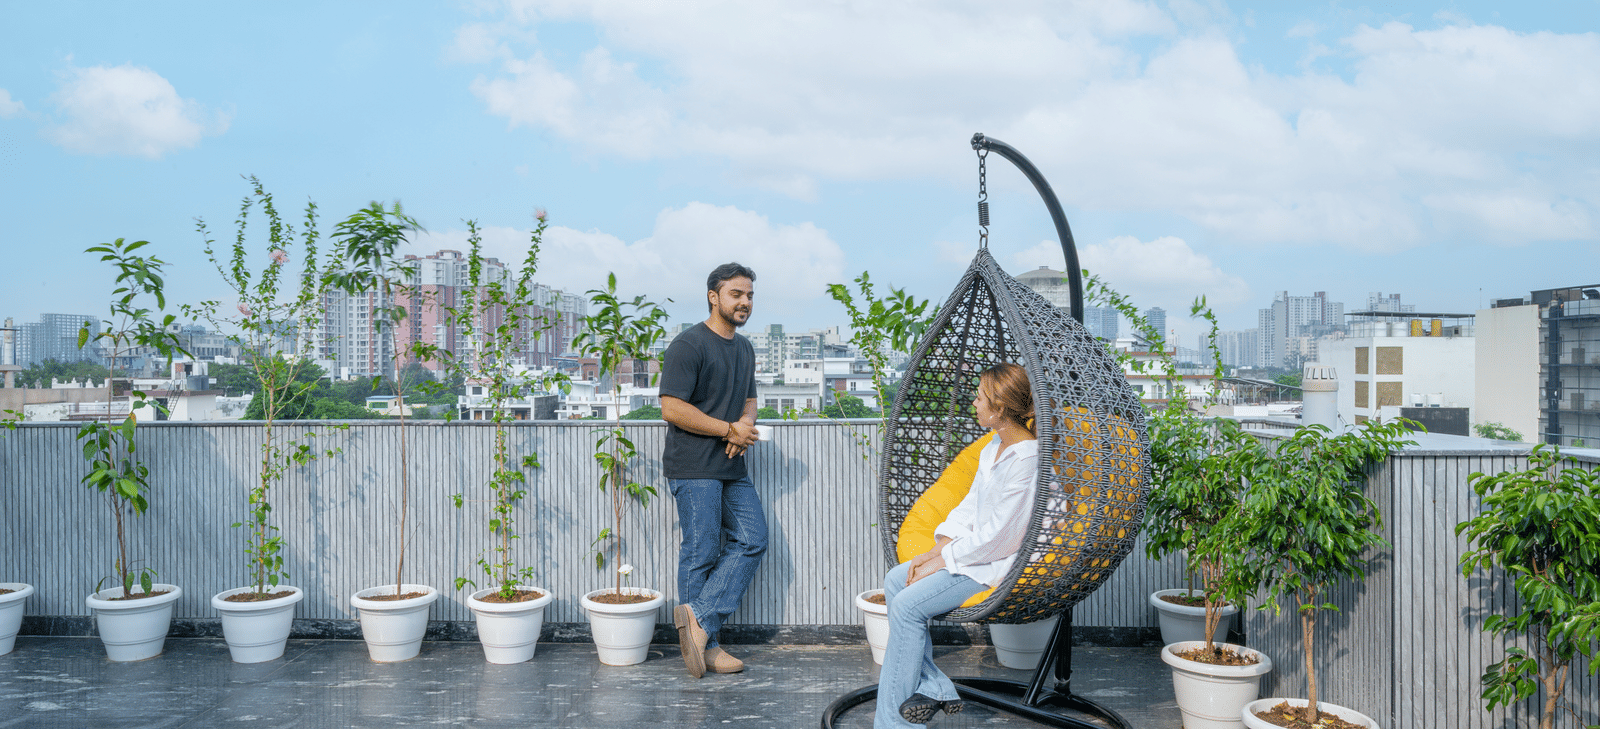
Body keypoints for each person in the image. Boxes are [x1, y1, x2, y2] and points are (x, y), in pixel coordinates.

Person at [877, 363, 1039, 727]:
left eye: (980, 398)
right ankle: (935, 686)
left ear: (1000, 407)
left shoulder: (1027, 460)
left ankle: (893, 725)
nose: (974, 404)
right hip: (970, 552)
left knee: (907, 607)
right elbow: (970, 507)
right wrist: (935, 551)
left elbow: (1001, 538)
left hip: (994, 565)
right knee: (895, 580)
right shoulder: (994, 446)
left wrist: (944, 560)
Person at [659, 262, 767, 679]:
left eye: (750, 295)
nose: (745, 302)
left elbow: (749, 401)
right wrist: (728, 429)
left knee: (753, 539)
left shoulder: (744, 349)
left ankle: (699, 622)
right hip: (693, 466)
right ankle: (707, 645)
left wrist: (743, 428)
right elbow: (672, 408)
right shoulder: (688, 344)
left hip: (731, 465)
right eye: (736, 294)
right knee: (701, 550)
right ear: (713, 297)